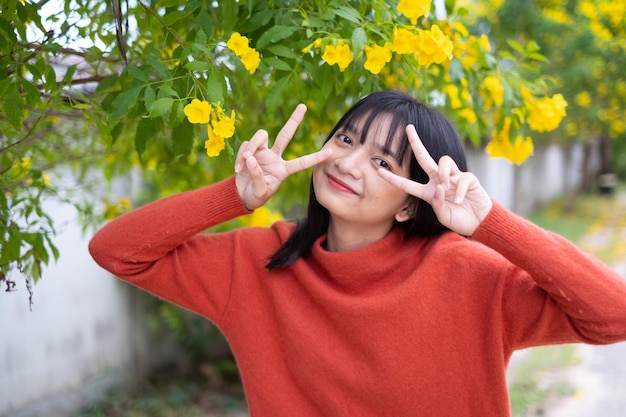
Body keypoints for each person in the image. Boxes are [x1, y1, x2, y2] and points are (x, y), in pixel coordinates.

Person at [89, 90, 626, 416]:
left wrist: (492, 224)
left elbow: (613, 314)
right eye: (346, 141)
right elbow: (116, 251)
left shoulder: (470, 275)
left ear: (409, 206)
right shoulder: (258, 261)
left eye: (385, 163)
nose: (348, 164)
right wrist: (236, 196)